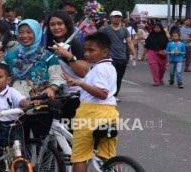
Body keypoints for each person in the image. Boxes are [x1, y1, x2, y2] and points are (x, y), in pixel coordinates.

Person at [62, 32, 119, 172]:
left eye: (91, 50)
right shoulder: (108, 67)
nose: (87, 54)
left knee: (80, 156)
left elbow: (101, 93)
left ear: (105, 51)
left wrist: (80, 84)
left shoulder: (100, 69)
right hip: (109, 112)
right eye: (85, 50)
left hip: (91, 113)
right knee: (108, 155)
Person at [3, 19, 65, 140]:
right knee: (19, 144)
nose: (24, 36)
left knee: (43, 144)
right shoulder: (10, 57)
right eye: (21, 32)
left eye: (29, 32)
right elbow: (0, 75)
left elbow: (58, 78)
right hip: (16, 108)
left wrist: (51, 89)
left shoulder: (48, 57)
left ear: (37, 33)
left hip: (41, 107)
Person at [45, 11, 89, 125]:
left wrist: (68, 56)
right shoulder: (48, 45)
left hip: (75, 95)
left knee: (72, 134)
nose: (56, 27)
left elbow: (83, 72)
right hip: (56, 95)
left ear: (67, 25)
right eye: (52, 25)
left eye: (60, 24)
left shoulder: (75, 44)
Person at [99, 11, 136, 102]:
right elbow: (99, 40)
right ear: (111, 18)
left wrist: (133, 52)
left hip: (122, 57)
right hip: (109, 57)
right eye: (115, 17)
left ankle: (115, 94)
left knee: (119, 77)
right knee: (111, 76)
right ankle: (107, 94)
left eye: (119, 17)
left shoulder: (124, 30)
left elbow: (129, 42)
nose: (117, 18)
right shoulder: (105, 29)